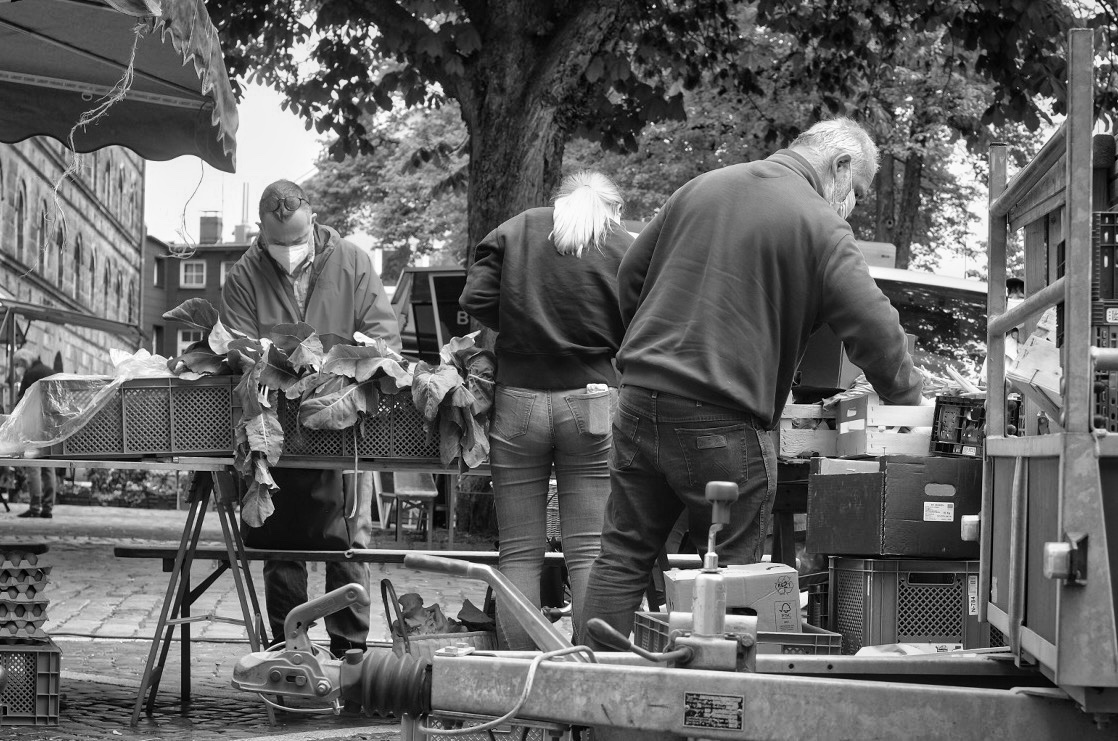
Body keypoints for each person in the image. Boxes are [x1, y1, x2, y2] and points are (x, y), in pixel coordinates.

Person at [579, 118, 925, 649]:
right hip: (723, 417)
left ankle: (581, 697)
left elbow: (630, 277)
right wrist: (910, 403)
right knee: (730, 575)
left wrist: (652, 351)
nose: (851, 206)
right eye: (855, 192)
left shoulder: (701, 187)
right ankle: (708, 713)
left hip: (639, 396)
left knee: (622, 555)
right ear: (839, 166)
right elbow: (875, 330)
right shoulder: (819, 223)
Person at [221, 179, 400, 657]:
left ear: (314, 222)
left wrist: (357, 357)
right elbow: (236, 345)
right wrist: (257, 357)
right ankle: (289, 646)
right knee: (282, 540)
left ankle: (351, 648)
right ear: (261, 231)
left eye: (296, 240)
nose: (287, 250)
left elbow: (384, 334)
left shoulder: (354, 261)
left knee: (350, 537)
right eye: (277, 243)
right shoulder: (243, 274)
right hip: (276, 427)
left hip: (346, 420)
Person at [459, 171, 632, 650]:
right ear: (610, 208)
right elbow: (644, 319)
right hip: (594, 402)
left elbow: (473, 298)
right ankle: (585, 668)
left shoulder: (520, 228)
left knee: (518, 552)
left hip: (519, 401)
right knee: (589, 550)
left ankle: (521, 673)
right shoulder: (622, 244)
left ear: (561, 201)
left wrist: (519, 321)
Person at [14, 347, 57, 519]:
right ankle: (48, 507)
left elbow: (21, 402)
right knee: (49, 466)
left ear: (24, 362)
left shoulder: (31, 374)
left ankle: (35, 507)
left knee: (33, 465)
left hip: (34, 425)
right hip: (52, 426)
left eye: (17, 364)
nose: (17, 368)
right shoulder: (50, 371)